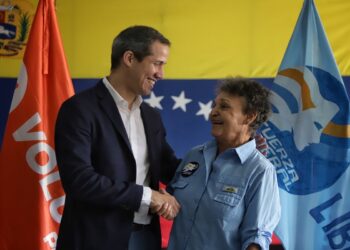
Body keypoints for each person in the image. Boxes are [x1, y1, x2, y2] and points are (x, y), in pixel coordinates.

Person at [54, 25, 181, 250]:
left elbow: (171, 168)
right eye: (157, 63)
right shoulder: (79, 109)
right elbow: (79, 181)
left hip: (145, 239)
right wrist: (148, 197)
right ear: (130, 58)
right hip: (94, 240)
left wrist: (226, 155)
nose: (160, 74)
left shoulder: (151, 117)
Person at [167, 77, 281, 250]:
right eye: (214, 105)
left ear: (249, 117)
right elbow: (168, 201)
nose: (213, 112)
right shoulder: (193, 156)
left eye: (224, 106)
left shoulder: (260, 171)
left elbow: (256, 238)